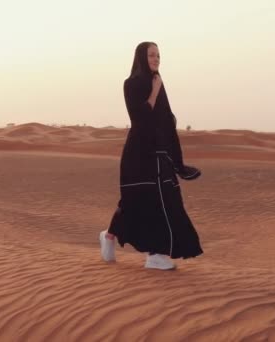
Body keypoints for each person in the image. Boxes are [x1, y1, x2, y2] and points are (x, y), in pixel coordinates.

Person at [99, 41, 203, 270]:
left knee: (165, 200)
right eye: (151, 55)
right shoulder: (132, 84)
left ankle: (113, 237)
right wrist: (155, 91)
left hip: (160, 152)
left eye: (158, 55)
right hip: (139, 154)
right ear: (141, 58)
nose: (156, 59)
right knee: (139, 200)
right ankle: (154, 254)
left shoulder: (158, 81)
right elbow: (141, 118)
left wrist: (177, 160)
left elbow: (166, 120)